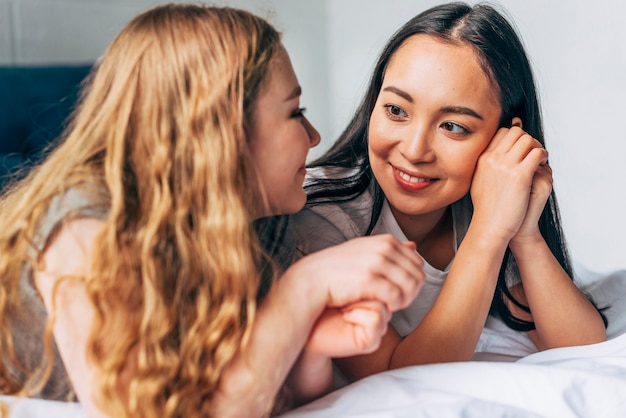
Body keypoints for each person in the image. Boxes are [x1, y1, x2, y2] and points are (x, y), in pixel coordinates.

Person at [0, 4, 425, 418]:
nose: (314, 137)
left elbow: (259, 396)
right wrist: (302, 288)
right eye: (295, 112)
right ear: (219, 132)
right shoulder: (84, 232)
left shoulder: (259, 223)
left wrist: (312, 343)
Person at [293, 1, 608, 383]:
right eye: (396, 110)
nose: (414, 150)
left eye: (453, 127)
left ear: (505, 139)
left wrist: (524, 233)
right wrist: (489, 234)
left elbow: (582, 346)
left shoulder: (479, 202)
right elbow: (398, 379)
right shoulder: (320, 215)